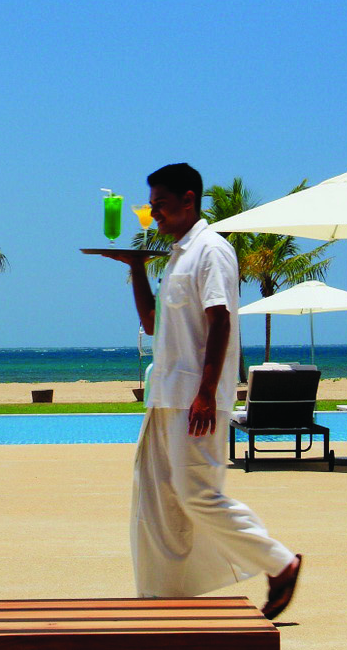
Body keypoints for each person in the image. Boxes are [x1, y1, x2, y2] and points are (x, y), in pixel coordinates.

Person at [90, 163, 303, 617]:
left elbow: (220, 319)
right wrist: (137, 269)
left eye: (161, 204)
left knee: (197, 494)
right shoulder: (177, 257)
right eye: (152, 205)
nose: (154, 213)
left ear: (189, 200)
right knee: (157, 500)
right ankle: (162, 596)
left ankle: (279, 562)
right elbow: (153, 323)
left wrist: (206, 392)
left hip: (194, 399)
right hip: (165, 396)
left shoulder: (211, 250)